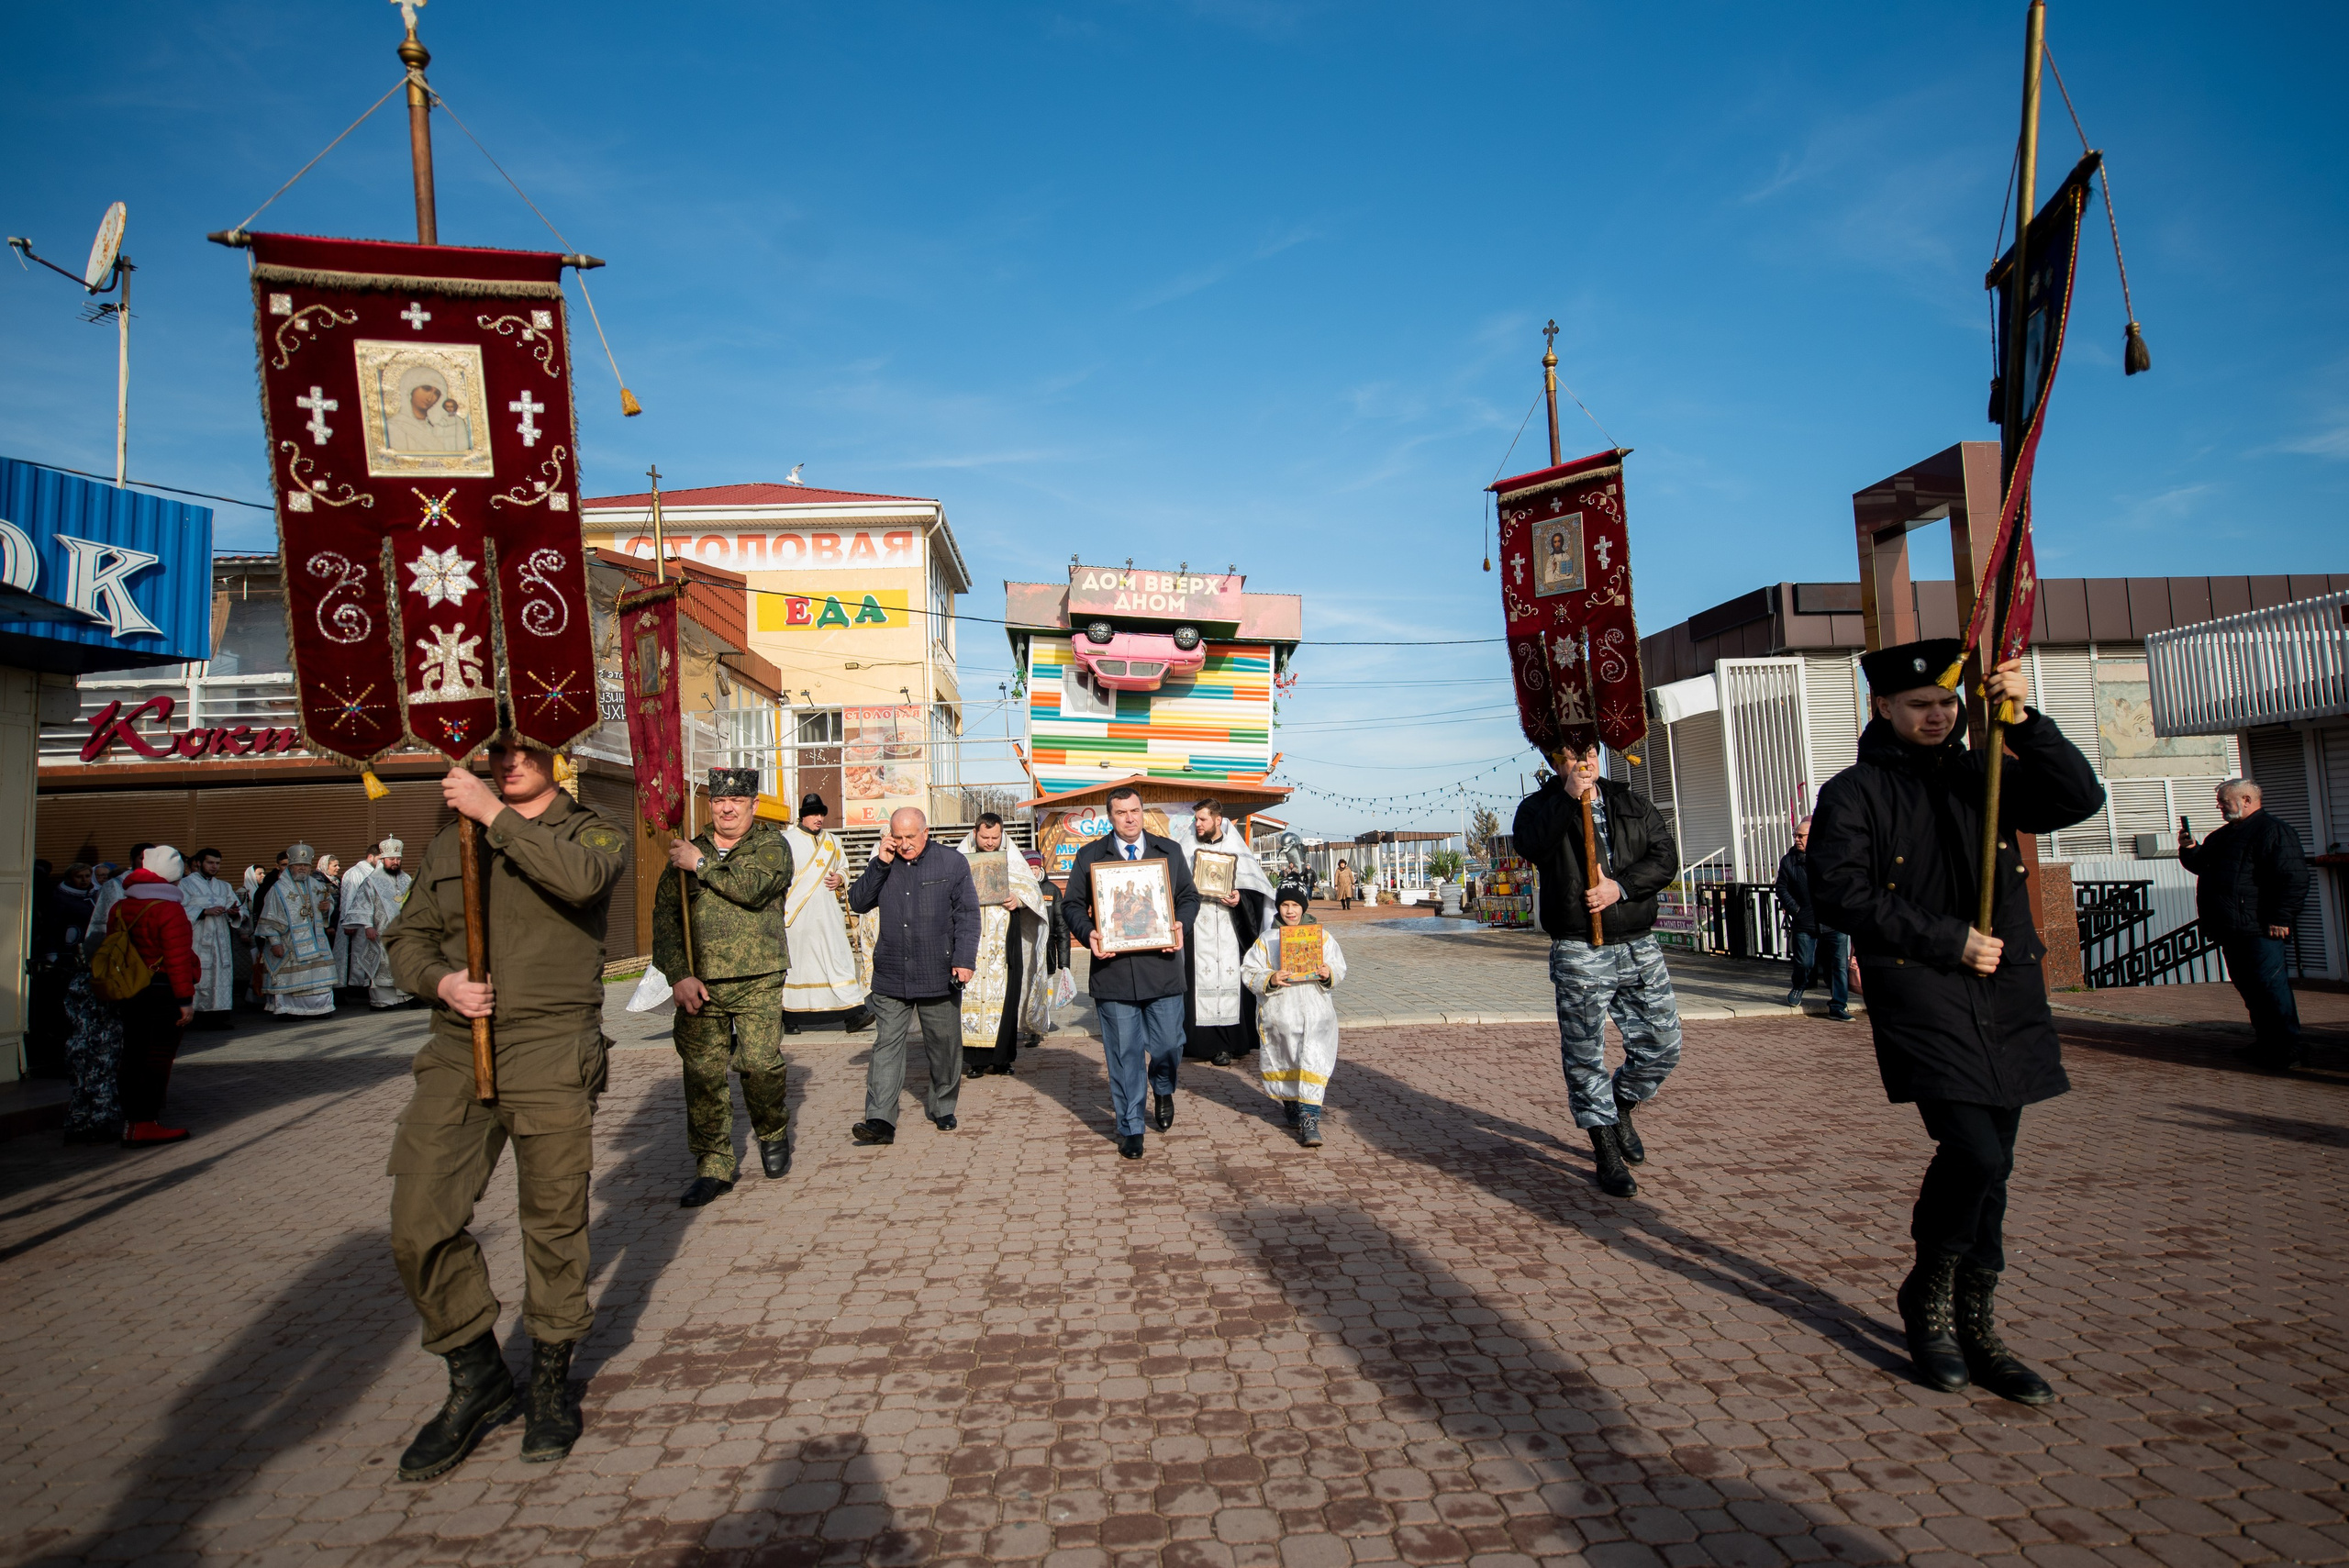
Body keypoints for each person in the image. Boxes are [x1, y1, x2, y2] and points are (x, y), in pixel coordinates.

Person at [1810, 642, 2104, 1407]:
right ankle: (1929, 1293)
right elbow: (1840, 892)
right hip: (1926, 989)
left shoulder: (1987, 772)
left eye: (1946, 702)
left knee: (1996, 1162)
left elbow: (2078, 797)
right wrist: (1948, 938)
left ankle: (1979, 1322)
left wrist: (2026, 716)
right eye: (1918, 705)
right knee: (1971, 1148)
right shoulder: (1854, 792)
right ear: (1883, 708)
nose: (1936, 715)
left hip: (2006, 988)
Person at [383, 725, 629, 1481]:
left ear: (556, 754)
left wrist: (495, 815)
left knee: (553, 1224)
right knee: (418, 1222)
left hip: (551, 1046)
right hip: (459, 1047)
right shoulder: (448, 838)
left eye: (523, 749)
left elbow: (583, 882)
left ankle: (550, 1379)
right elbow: (406, 938)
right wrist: (442, 982)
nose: (509, 762)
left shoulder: (591, 829)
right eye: (495, 751)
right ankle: (476, 1372)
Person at [1513, 740, 1684, 1199]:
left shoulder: (1630, 800)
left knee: (1662, 1046)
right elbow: (1531, 845)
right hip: (1579, 947)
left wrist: (1621, 888)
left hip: (1637, 941)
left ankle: (1621, 1104)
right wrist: (1568, 797)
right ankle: (1604, 1146)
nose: (1583, 764)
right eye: (1570, 757)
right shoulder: (1539, 806)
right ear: (1554, 762)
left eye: (1587, 753)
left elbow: (1664, 857)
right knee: (1585, 1054)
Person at [654, 768, 796, 1207]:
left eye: (737, 802)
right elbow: (665, 921)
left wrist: (700, 865)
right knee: (702, 1076)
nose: (727, 809)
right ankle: (713, 1165)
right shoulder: (686, 851)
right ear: (710, 805)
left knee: (759, 1065)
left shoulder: (770, 846)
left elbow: (752, 889)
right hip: (702, 985)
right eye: (719, 803)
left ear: (753, 805)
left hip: (758, 979)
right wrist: (679, 975)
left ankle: (771, 1130)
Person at [1061, 787, 1199, 1159]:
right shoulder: (1090, 856)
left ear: (1143, 812)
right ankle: (1131, 1126)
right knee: (1124, 1054)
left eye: (1135, 810)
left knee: (1170, 1043)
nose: (1130, 818)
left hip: (1164, 970)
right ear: (1111, 817)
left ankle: (1164, 1086)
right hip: (1115, 973)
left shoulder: (1168, 852)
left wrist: (1179, 925)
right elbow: (1071, 903)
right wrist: (1087, 932)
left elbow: (1189, 897)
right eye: (1121, 812)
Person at [847, 807, 978, 1145]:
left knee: (944, 1044)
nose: (904, 845)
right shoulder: (885, 863)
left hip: (938, 971)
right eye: (898, 837)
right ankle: (879, 1119)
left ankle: (943, 1104)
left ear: (926, 832)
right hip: (892, 971)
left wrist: (964, 959)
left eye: (910, 837)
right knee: (886, 1046)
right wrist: (880, 862)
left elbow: (967, 915)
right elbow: (858, 902)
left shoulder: (952, 863)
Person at [2178, 780, 2310, 1069]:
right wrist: (2189, 849)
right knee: (2250, 988)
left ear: (2247, 799)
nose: (2219, 805)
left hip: (2260, 927)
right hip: (2230, 927)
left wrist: (2281, 917)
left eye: (2224, 800)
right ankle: (2266, 1042)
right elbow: (2203, 865)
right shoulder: (2224, 836)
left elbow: (2294, 877)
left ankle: (2287, 1048)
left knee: (2270, 987)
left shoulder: (2273, 831)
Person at [106, 846, 200, 1146]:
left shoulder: (120, 906)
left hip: (130, 989)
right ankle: (146, 1122)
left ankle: (132, 1121)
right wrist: (185, 1001)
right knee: (158, 1057)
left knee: (132, 1054)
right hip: (162, 991)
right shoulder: (169, 909)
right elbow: (177, 959)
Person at [1242, 884, 1348, 1149]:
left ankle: (1310, 1119)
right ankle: (1291, 1102)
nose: (1290, 911)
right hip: (1282, 1012)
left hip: (1316, 1012)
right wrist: (1270, 978)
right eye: (1285, 905)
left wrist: (1328, 972)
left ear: (1304, 908)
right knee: (1286, 1057)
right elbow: (1248, 970)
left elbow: (1339, 965)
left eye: (1296, 906)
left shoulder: (1322, 937)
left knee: (1313, 1059)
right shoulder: (1267, 939)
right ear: (1278, 907)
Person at [1181, 799, 1275, 1066]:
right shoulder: (1186, 847)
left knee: (1231, 979)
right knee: (1201, 980)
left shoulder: (1235, 849)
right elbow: (1174, 886)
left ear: (1218, 820)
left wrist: (1239, 899)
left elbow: (1257, 891)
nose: (1197, 824)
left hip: (1230, 928)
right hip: (1198, 929)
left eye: (1202, 819)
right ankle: (1200, 1042)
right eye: (1196, 819)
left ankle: (1230, 1042)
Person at [956, 813, 1049, 1077]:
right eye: (985, 837)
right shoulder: (961, 856)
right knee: (969, 997)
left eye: (995, 837)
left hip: (1004, 937)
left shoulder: (1012, 856)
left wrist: (1017, 899)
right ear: (975, 832)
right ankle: (976, 1060)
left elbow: (1033, 891)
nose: (990, 842)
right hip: (971, 938)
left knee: (1006, 994)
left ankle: (1003, 1059)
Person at [780, 793, 872, 1034]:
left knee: (838, 958)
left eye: (821, 814)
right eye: (813, 814)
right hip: (797, 915)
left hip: (828, 914)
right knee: (798, 964)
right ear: (803, 816)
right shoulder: (786, 840)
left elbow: (843, 866)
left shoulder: (833, 841)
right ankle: (790, 1017)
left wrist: (840, 877)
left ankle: (854, 1013)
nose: (818, 818)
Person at [1776, 817, 1854, 1021]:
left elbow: (1848, 882)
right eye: (1795, 835)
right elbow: (1781, 888)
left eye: (1801, 836)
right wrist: (1796, 909)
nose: (1797, 839)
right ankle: (1799, 986)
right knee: (1804, 962)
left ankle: (1838, 1005)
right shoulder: (1789, 860)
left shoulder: (1832, 857)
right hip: (1805, 921)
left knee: (1839, 965)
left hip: (1835, 921)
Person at [253, 845, 338, 1017]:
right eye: (298, 864)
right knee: (290, 978)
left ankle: (321, 1008)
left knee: (318, 977)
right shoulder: (278, 889)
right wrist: (275, 943)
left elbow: (328, 904)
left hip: (316, 941)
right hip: (289, 943)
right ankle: (289, 1010)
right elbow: (269, 918)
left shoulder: (317, 885)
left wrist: (327, 907)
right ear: (290, 866)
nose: (302, 868)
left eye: (305, 865)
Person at [178, 848, 244, 1029]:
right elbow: (177, 910)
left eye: (217, 863)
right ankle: (197, 1016)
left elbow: (239, 909)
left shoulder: (224, 886)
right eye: (210, 862)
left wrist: (234, 912)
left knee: (220, 975)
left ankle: (218, 1016)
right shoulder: (185, 884)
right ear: (199, 863)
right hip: (198, 940)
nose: (214, 866)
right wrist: (203, 911)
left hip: (220, 939)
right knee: (201, 975)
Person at [333, 847, 384, 992]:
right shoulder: (354, 873)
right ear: (370, 856)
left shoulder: (377, 873)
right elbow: (349, 897)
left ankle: (365, 984)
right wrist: (349, 921)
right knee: (354, 954)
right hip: (357, 922)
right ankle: (353, 987)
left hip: (370, 923)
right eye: (379, 859)